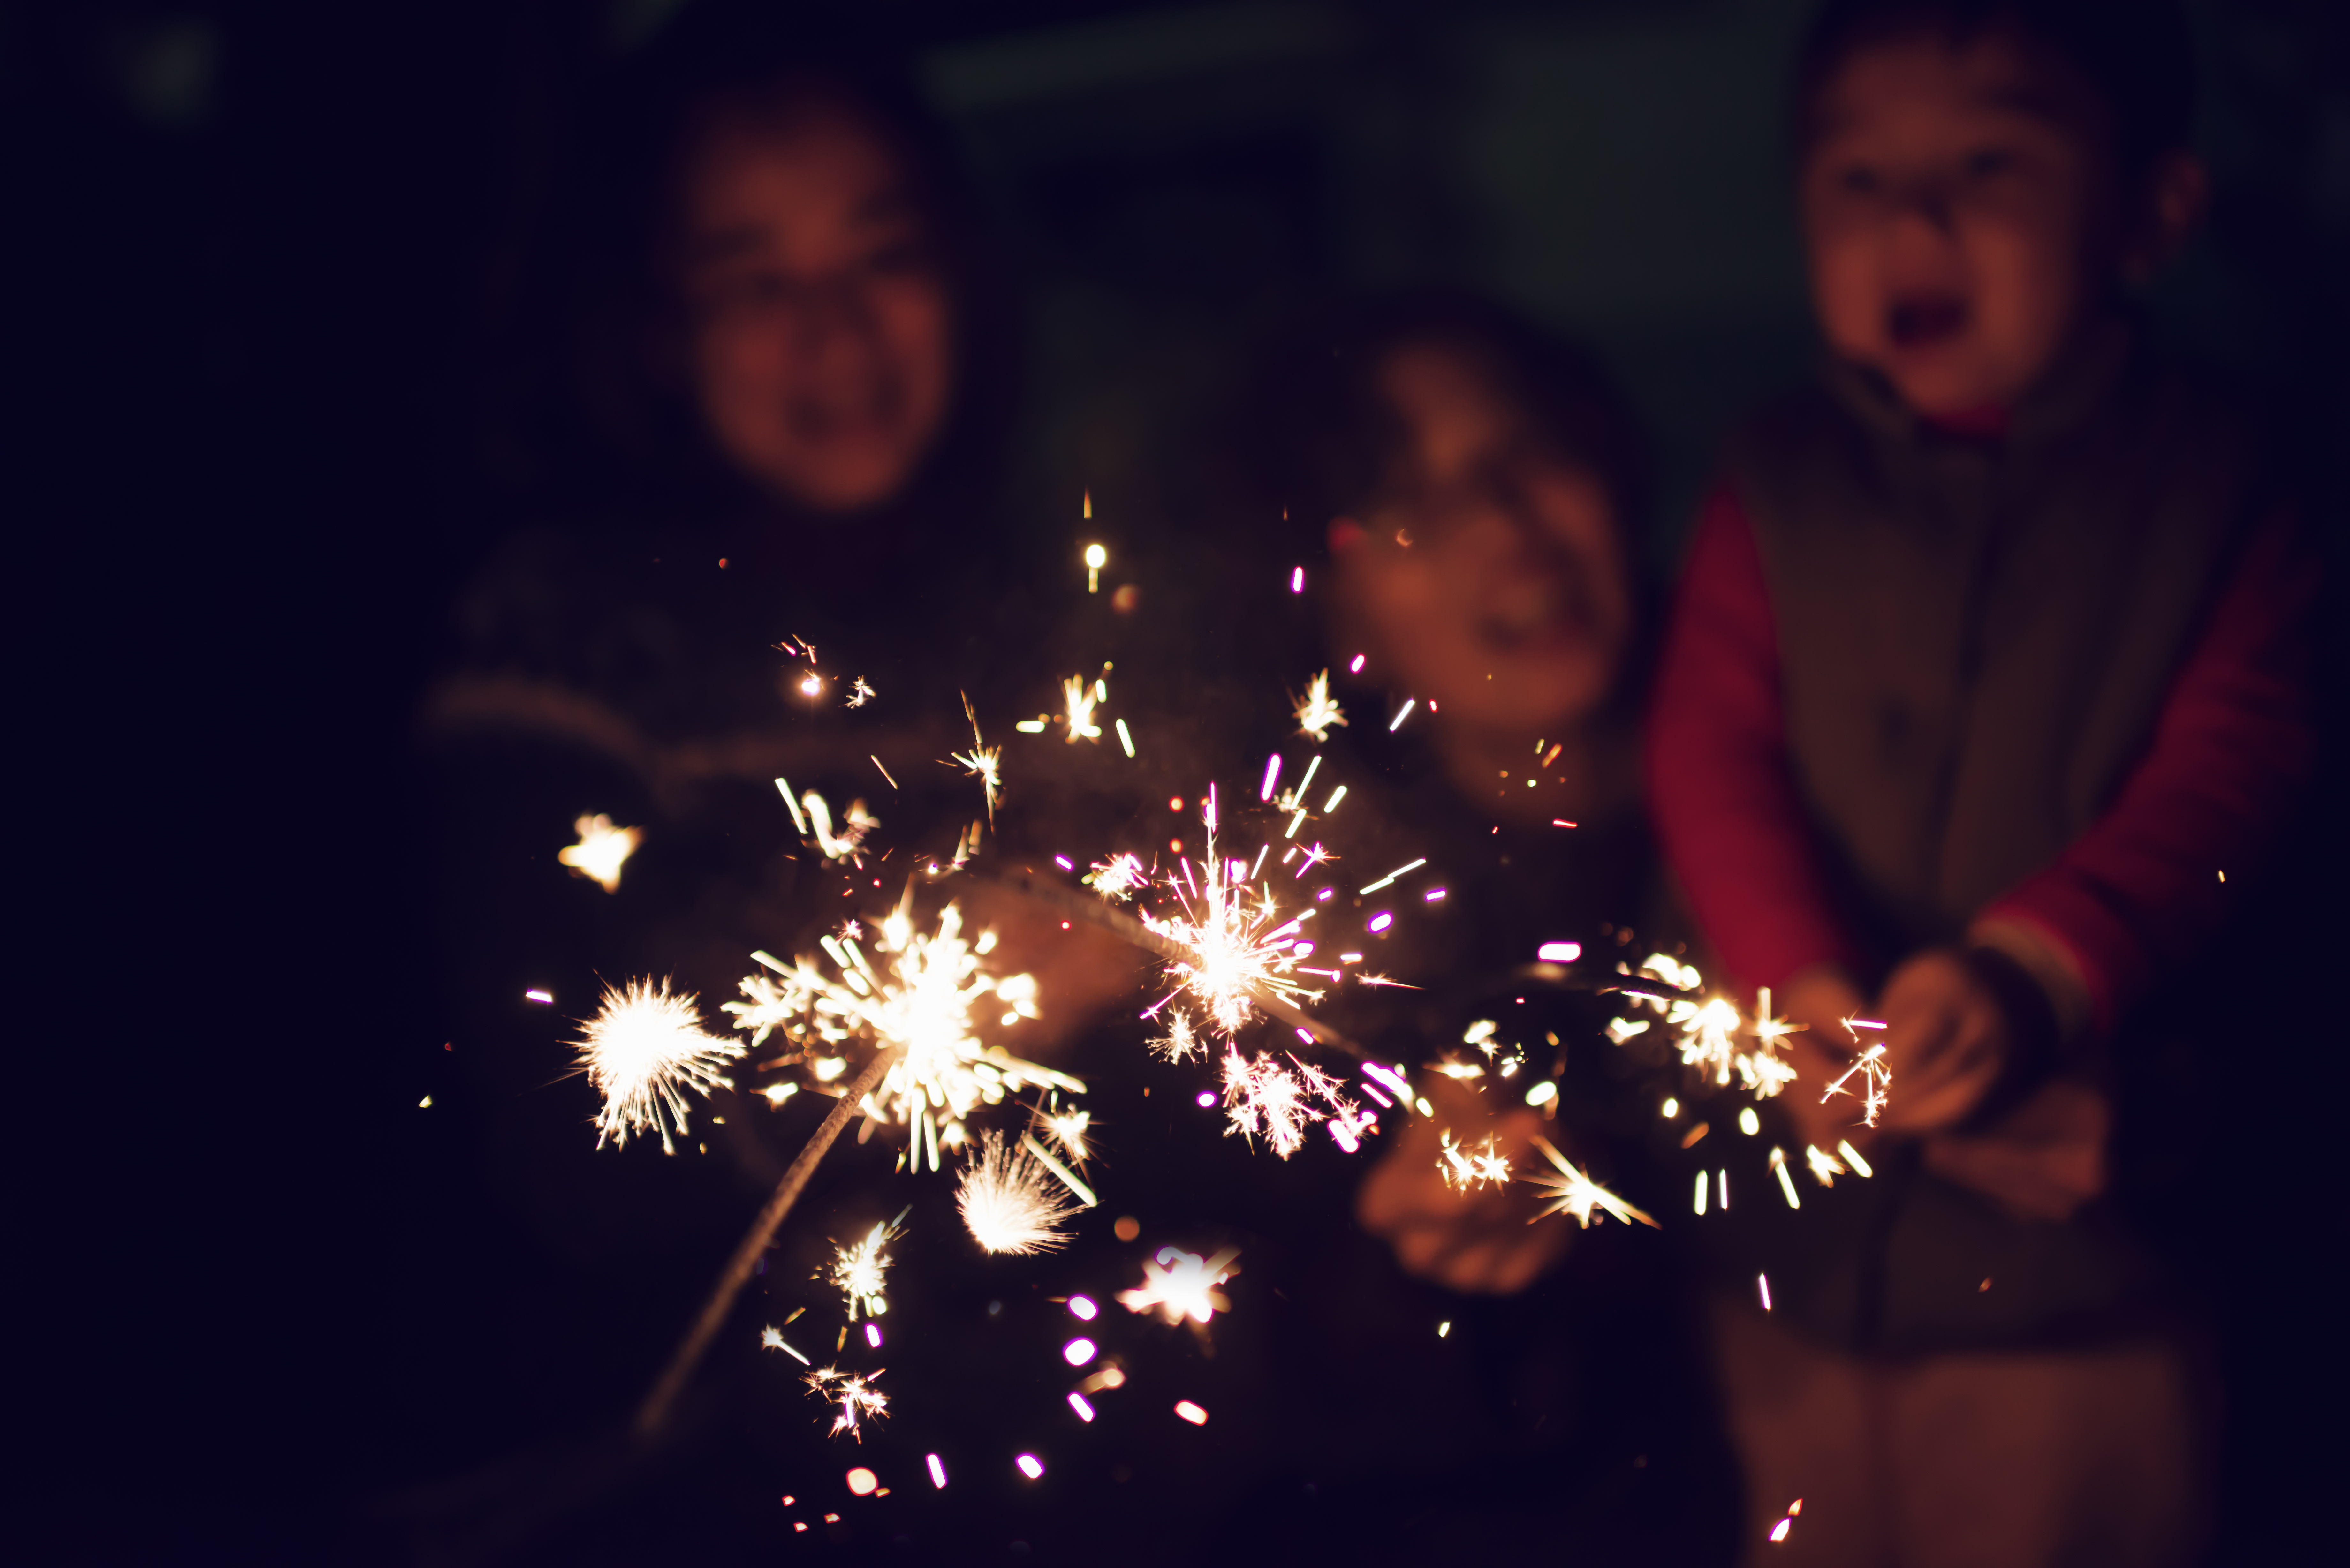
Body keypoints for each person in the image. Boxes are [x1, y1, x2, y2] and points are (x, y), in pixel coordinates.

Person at [1644, 2, 2316, 1563]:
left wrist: (2036, 975)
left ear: (2153, 209)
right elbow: (1707, 744)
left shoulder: (2225, 483)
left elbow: (2234, 775)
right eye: (1856, 178)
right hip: (1794, 1269)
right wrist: (1795, 980)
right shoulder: (1773, 479)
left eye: (1989, 163)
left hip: (2080, 1293)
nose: (1913, 220)